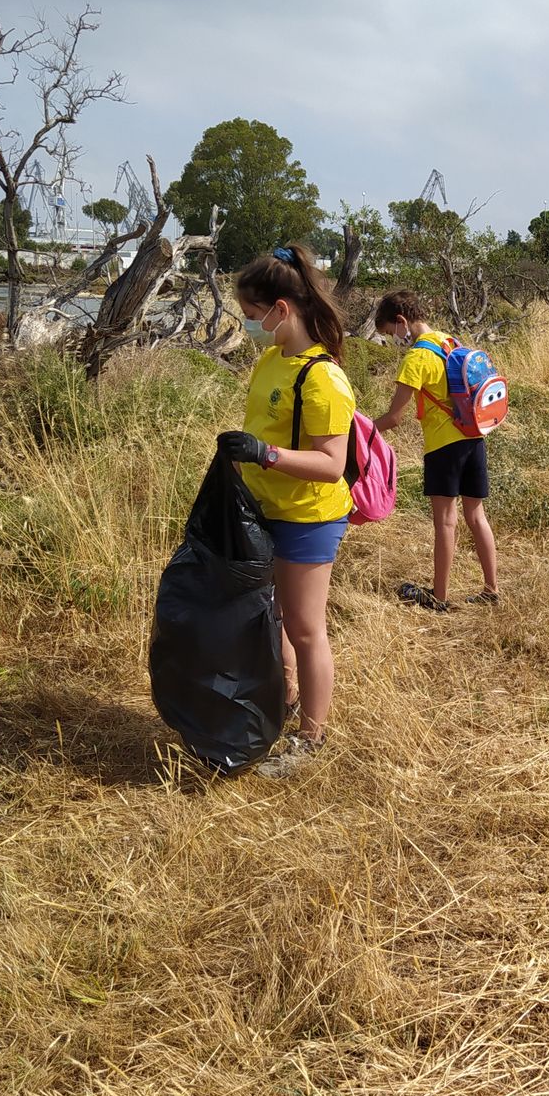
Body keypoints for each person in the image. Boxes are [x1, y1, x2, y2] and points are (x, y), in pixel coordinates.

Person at [218, 245, 355, 772]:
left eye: (254, 317)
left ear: (281, 308)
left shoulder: (322, 378)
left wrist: (266, 455)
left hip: (309, 515)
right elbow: (263, 430)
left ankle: (312, 740)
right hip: (266, 507)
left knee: (305, 625)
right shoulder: (271, 361)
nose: (252, 326)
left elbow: (330, 464)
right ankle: (286, 699)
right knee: (272, 613)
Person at [371, 290, 500, 611]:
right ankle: (491, 589)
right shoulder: (448, 341)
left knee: (445, 522)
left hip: (444, 447)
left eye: (390, 332)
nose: (392, 339)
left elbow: (394, 418)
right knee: (476, 516)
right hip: (474, 436)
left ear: (401, 321)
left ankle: (439, 597)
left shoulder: (416, 358)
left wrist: (358, 430)